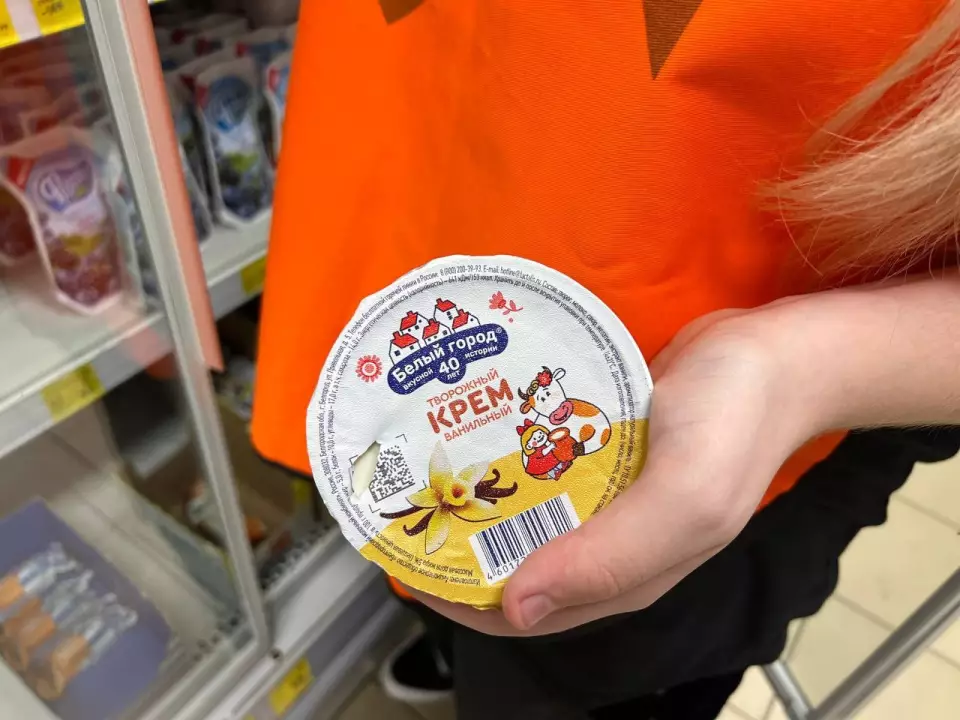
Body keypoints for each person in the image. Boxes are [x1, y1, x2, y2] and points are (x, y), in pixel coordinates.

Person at [251, 0, 960, 717]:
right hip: (399, 205)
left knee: (587, 663)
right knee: (438, 574)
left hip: (704, 449)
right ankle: (449, 645)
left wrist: (808, 369)